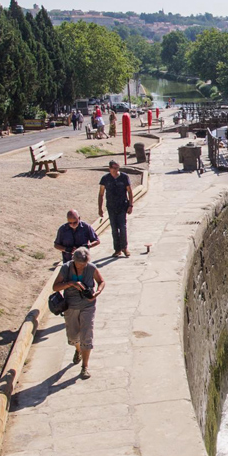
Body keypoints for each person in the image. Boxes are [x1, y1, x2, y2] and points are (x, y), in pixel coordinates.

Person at [52, 247, 105, 379]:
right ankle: (78, 350)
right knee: (73, 335)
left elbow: (101, 282)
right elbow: (55, 287)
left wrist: (97, 292)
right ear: (74, 261)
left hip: (88, 305)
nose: (83, 267)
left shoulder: (91, 268)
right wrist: (70, 283)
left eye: (85, 264)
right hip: (71, 306)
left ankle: (85, 367)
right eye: (80, 264)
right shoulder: (65, 268)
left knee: (87, 334)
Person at [98, 161, 134, 257]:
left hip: (122, 206)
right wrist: (100, 208)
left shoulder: (124, 177)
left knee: (122, 227)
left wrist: (131, 205)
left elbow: (129, 191)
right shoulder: (105, 179)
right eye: (114, 168)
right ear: (110, 168)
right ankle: (117, 249)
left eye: (117, 168)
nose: (116, 170)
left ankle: (124, 248)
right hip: (111, 206)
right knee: (114, 229)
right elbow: (101, 194)